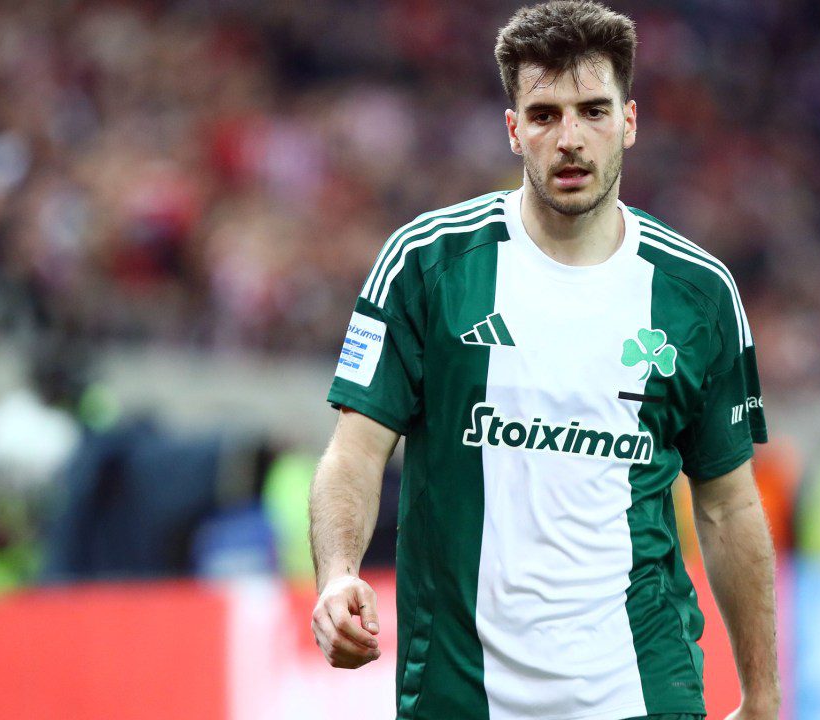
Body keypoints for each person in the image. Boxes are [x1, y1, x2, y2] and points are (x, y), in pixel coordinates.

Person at [308, 2, 778, 718]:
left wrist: (763, 697)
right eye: (544, 115)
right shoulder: (427, 265)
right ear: (512, 129)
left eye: (593, 111)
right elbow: (354, 452)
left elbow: (729, 505)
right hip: (460, 691)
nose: (570, 139)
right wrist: (338, 574)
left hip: (641, 688)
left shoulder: (698, 294)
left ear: (629, 121)